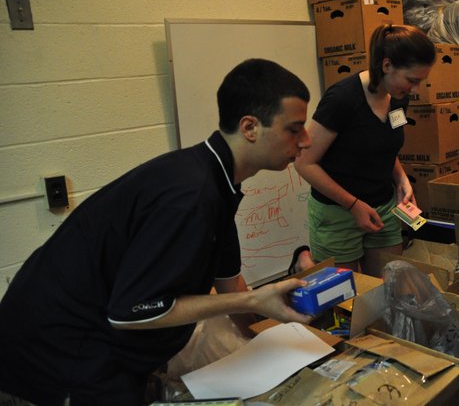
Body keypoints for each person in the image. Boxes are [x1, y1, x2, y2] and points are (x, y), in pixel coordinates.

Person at [0, 59, 314, 405]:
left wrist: (269, 337)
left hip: (100, 341)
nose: (306, 141)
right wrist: (253, 300)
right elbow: (132, 311)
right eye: (294, 129)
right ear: (250, 127)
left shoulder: (219, 181)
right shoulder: (190, 195)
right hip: (60, 353)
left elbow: (229, 282)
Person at [294, 24, 436, 273]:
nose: (415, 89)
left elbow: (383, 145)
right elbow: (304, 162)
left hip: (383, 205)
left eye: (420, 81)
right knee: (345, 296)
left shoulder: (399, 97)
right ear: (387, 65)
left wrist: (401, 179)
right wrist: (353, 205)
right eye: (412, 80)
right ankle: (304, 262)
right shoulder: (342, 99)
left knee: (388, 286)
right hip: (338, 212)